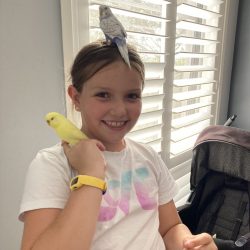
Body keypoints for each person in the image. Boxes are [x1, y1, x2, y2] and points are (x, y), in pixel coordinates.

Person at [19, 40, 217, 250]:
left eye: (132, 96)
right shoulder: (52, 166)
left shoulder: (147, 156)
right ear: (76, 98)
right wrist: (91, 173)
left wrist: (189, 244)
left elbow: (170, 227)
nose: (120, 110)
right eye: (103, 95)